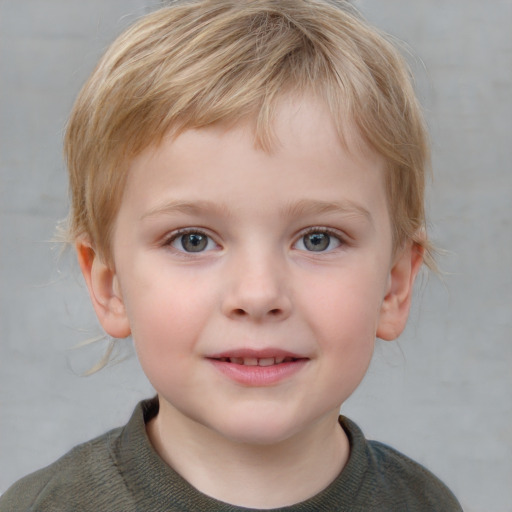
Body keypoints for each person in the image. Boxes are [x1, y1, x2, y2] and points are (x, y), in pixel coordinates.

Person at [0, 0, 463, 510]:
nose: (259, 294)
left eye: (318, 239)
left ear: (394, 284)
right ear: (109, 286)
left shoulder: (426, 502)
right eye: (192, 240)